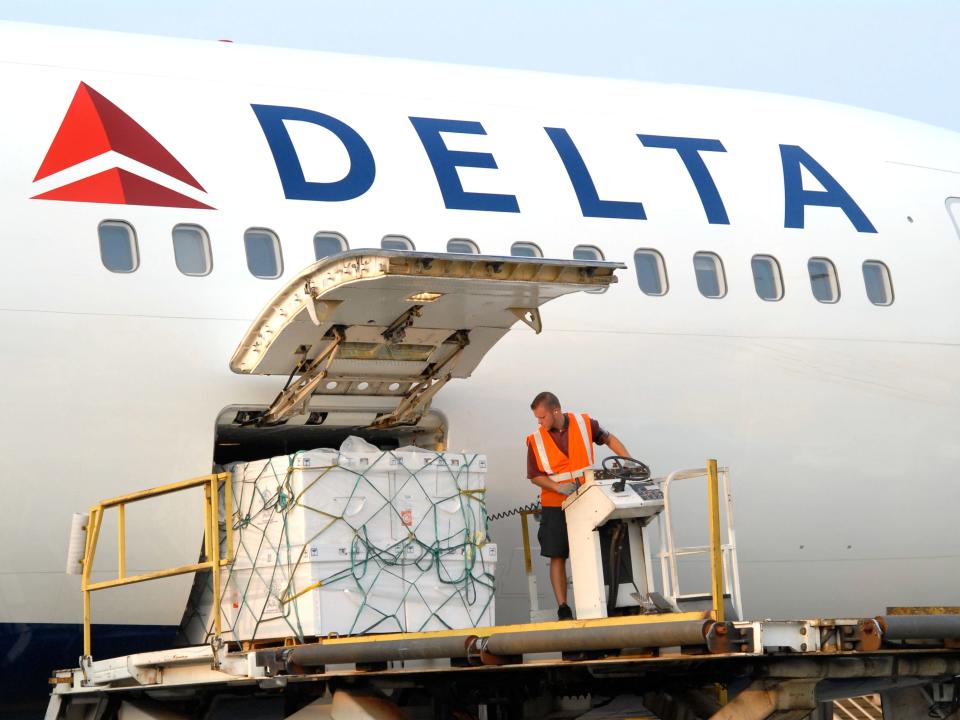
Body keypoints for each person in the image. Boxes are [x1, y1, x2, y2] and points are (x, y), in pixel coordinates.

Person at [526, 391, 632, 621]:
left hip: (586, 498)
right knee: (557, 554)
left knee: (598, 548)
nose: (539, 422)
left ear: (556, 411)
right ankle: (563, 608)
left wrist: (628, 461)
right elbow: (535, 476)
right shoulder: (535, 440)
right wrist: (557, 488)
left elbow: (609, 438)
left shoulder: (585, 424)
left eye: (542, 417)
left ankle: (608, 601)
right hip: (555, 504)